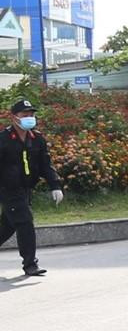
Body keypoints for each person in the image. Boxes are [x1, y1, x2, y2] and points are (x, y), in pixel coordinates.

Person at [1, 98, 63, 276]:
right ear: (14, 117)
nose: (29, 117)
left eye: (31, 114)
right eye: (25, 114)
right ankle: (30, 264)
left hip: (26, 188)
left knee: (9, 225)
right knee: (25, 221)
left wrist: (55, 185)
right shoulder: (3, 139)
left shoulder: (37, 139)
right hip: (7, 189)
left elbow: (45, 164)